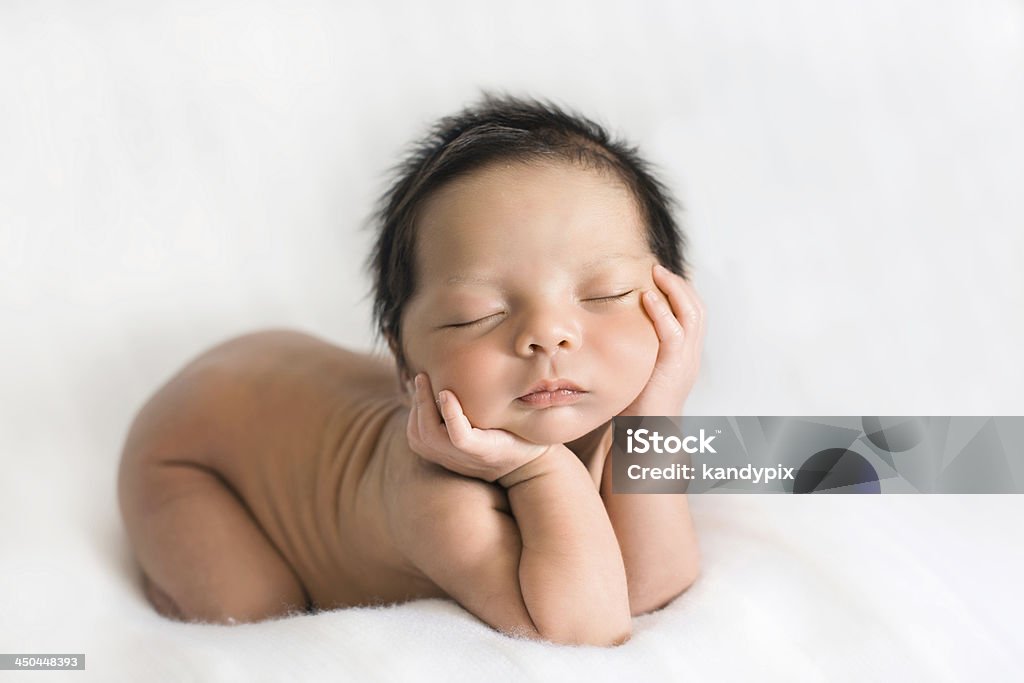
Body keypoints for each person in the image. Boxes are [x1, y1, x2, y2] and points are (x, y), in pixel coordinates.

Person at [117, 92, 706, 647]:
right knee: (256, 613)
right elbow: (590, 627)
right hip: (195, 454)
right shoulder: (437, 496)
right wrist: (537, 468)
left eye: (604, 295)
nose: (548, 335)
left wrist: (657, 407)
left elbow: (654, 585)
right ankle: (167, 575)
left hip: (272, 379)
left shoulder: (606, 407)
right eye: (479, 314)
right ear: (404, 363)